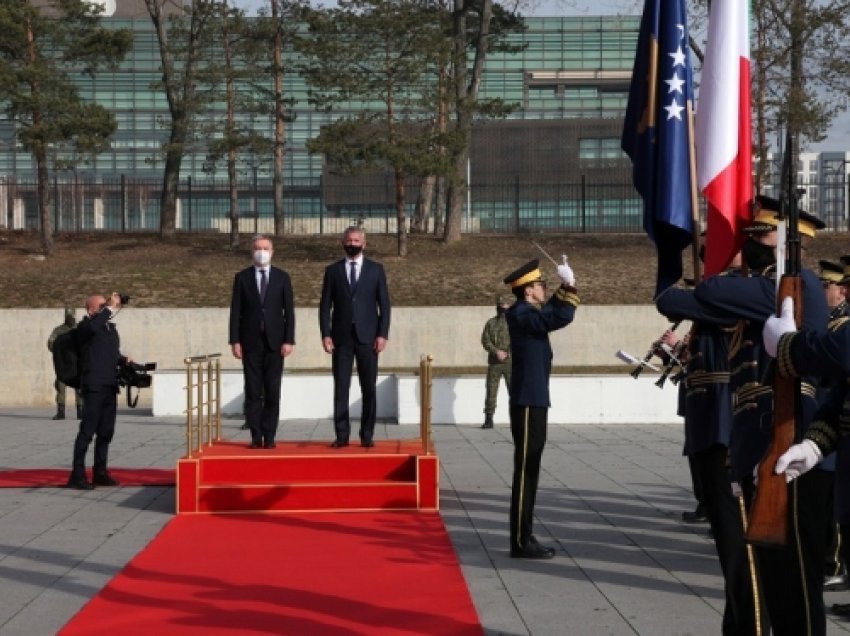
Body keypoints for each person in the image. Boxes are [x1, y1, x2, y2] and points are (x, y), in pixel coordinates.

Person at [658, 195, 828, 636]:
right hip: (753, 437)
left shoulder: (795, 285)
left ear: (783, 243)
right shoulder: (767, 289)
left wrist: (717, 264)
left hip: (787, 436)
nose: (748, 242)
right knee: (767, 570)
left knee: (788, 578)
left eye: (757, 234)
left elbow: (705, 293)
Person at [502, 257, 579, 559]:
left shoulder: (527, 311)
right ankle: (520, 541)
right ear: (527, 291)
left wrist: (564, 287)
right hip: (528, 401)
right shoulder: (521, 314)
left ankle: (524, 536)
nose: (543, 289)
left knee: (530, 467)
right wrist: (570, 287)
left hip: (533, 400)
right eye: (540, 285)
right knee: (526, 470)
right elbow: (555, 318)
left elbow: (549, 312)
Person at [319, 226, 391, 448]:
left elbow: (384, 306)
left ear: (364, 244)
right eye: (349, 240)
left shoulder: (376, 270)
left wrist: (382, 334)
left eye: (357, 240)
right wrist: (326, 334)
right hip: (341, 339)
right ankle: (342, 435)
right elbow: (324, 306)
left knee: (368, 387)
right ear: (342, 242)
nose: (353, 243)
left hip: (368, 338)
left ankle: (367, 434)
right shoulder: (333, 271)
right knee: (341, 387)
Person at [228, 235, 295, 450]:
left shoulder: (282, 277)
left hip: (276, 343)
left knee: (273, 390)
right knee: (253, 390)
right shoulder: (242, 278)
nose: (261, 251)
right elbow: (235, 312)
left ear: (272, 251)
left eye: (265, 248)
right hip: (250, 342)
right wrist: (235, 341)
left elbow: (289, 312)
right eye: (257, 248)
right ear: (251, 251)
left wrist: (289, 339)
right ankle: (256, 435)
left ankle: (270, 434)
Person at [67, 293, 129, 490]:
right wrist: (109, 308)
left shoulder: (109, 328)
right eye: (101, 305)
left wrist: (124, 360)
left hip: (109, 385)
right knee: (87, 431)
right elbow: (93, 329)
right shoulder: (86, 327)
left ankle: (100, 472)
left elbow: (111, 353)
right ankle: (77, 475)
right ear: (91, 309)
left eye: (107, 304)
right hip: (94, 385)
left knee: (106, 432)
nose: (107, 307)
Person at [480, 295, 512, 429]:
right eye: (501, 307)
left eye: (506, 307)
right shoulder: (491, 323)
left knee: (514, 392)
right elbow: (485, 340)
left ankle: (516, 419)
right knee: (491, 390)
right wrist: (496, 352)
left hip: (511, 363)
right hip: (494, 362)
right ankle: (489, 418)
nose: (503, 310)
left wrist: (508, 353)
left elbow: (519, 340)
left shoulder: (515, 323)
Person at [47, 307, 83, 420]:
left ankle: (81, 410)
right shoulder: (58, 330)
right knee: (60, 387)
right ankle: (61, 411)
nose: (71, 319)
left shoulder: (79, 329)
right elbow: (50, 343)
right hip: (62, 364)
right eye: (68, 316)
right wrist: (59, 351)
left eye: (72, 316)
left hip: (76, 363)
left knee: (79, 387)